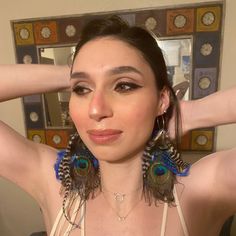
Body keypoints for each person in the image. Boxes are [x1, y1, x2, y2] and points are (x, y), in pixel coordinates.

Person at [0, 15, 236, 236]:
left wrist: (191, 114)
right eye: (82, 89)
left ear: (161, 100)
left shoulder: (203, 192)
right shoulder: (54, 184)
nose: (96, 109)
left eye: (124, 85)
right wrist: (73, 75)